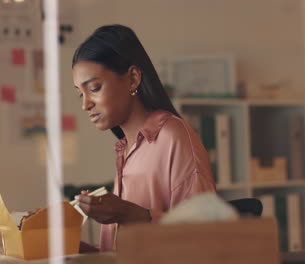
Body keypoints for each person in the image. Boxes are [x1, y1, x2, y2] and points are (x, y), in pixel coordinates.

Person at [72, 24, 216, 252]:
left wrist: (131, 214)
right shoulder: (126, 150)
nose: (85, 104)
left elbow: (202, 238)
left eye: (95, 88)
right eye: (80, 93)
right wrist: (67, 247)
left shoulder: (173, 137)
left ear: (133, 78)